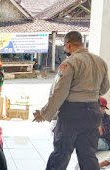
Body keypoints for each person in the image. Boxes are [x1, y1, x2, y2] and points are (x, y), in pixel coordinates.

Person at [33, 31, 110, 170]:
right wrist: (89, 96)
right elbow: (104, 88)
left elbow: (60, 93)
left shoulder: (70, 63)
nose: (64, 49)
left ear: (68, 44)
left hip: (72, 115)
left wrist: (44, 114)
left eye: (64, 46)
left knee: (61, 154)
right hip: (93, 113)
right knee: (88, 156)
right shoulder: (100, 61)